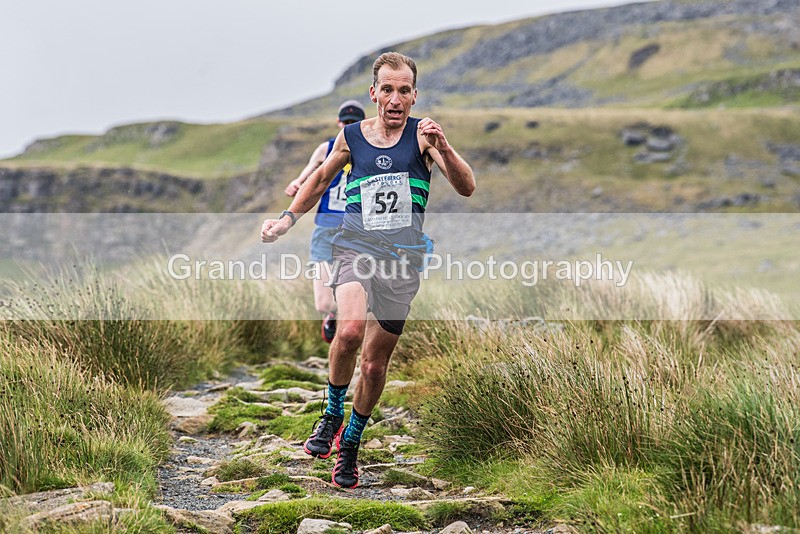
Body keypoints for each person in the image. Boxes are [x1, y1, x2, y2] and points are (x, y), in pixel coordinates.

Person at [261, 51, 475, 489]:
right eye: (387, 90)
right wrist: (286, 219)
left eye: (404, 91)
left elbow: (467, 187)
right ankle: (331, 412)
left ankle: (351, 443)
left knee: (375, 367)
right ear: (374, 93)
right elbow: (319, 181)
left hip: (403, 260)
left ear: (414, 96)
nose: (395, 99)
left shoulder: (424, 137)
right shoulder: (352, 137)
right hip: (355, 246)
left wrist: (446, 146)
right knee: (350, 331)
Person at [284, 100, 366, 343]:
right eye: (346, 123)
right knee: (323, 303)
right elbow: (310, 172)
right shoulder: (326, 148)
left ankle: (349, 329)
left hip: (357, 232)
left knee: (356, 294)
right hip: (326, 229)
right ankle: (333, 315)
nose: (349, 126)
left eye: (355, 123)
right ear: (339, 123)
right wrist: (297, 183)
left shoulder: (370, 149)